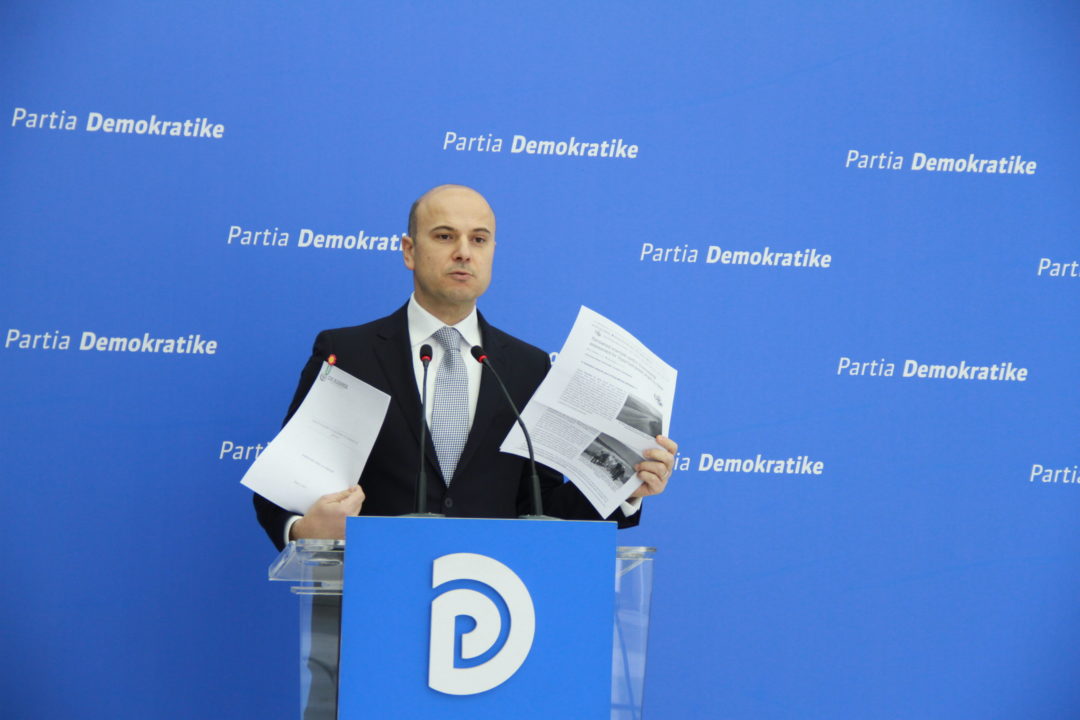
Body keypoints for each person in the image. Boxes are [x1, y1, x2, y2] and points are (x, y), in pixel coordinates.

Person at [253, 184, 677, 551]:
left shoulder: (528, 367)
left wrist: (625, 491)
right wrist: (303, 530)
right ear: (409, 250)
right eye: (444, 236)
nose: (463, 252)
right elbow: (282, 489)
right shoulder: (348, 354)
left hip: (496, 599)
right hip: (375, 589)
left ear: (492, 252)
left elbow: (542, 508)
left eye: (479, 239)